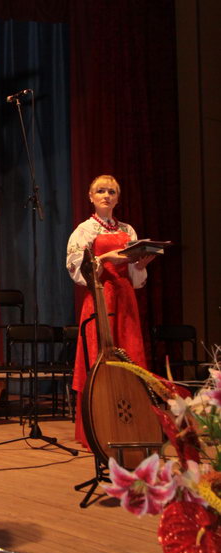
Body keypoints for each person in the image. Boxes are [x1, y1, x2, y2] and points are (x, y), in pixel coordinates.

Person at [66, 174, 155, 447]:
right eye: (101, 191)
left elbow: (135, 277)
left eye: (112, 192)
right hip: (100, 296)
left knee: (130, 357)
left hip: (125, 298)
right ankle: (99, 429)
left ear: (118, 198)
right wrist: (104, 258)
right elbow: (76, 268)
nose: (106, 195)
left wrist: (140, 265)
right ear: (90, 196)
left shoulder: (128, 230)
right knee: (100, 360)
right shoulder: (84, 230)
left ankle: (133, 428)